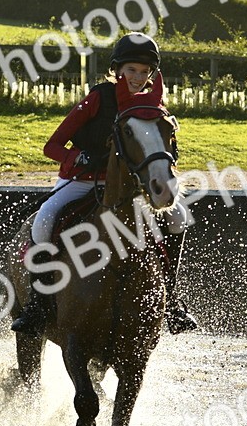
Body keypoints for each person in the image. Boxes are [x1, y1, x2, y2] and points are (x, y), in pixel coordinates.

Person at [10, 32, 200, 335]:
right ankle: (37, 304)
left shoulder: (153, 103)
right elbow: (52, 146)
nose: (137, 77)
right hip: (83, 180)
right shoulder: (100, 97)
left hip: (128, 188)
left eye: (144, 71)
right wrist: (79, 157)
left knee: (178, 216)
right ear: (117, 70)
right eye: (131, 70)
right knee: (44, 221)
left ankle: (172, 302)